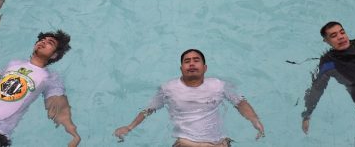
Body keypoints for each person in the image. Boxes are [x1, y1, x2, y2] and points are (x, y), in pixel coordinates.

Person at [114, 49, 265, 146]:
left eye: (196, 60)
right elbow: (148, 110)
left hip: (218, 144)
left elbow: (240, 102)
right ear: (181, 68)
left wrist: (254, 120)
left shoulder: (219, 85)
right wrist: (129, 127)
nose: (191, 64)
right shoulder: (168, 88)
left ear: (205, 68)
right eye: (187, 61)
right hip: (185, 144)